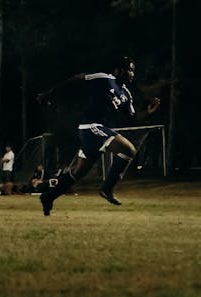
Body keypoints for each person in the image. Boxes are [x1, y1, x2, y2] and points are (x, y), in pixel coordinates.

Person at [36, 56, 160, 216]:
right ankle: (107, 189)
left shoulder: (126, 95)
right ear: (118, 70)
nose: (131, 74)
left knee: (78, 173)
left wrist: (148, 113)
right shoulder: (105, 78)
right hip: (91, 127)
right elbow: (78, 78)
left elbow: (131, 118)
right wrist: (49, 93)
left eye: (133, 71)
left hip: (99, 130)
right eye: (129, 69)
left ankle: (48, 197)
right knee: (129, 150)